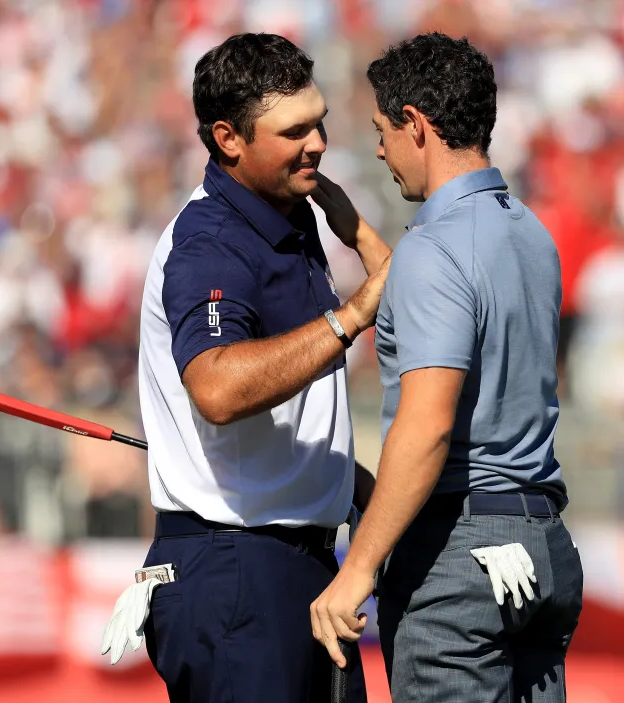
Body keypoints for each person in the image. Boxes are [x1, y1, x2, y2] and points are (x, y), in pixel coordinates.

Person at [99, 33, 391, 703]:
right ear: (229, 138)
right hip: (238, 572)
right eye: (293, 131)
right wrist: (349, 317)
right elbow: (219, 387)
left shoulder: (292, 215)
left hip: (293, 564)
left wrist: (353, 229)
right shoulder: (210, 240)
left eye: (318, 122)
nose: (317, 142)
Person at [310, 33, 584, 702]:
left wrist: (358, 570)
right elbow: (446, 290)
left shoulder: (433, 249)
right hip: (540, 547)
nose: (379, 148)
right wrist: (355, 231)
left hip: (459, 558)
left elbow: (428, 425)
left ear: (416, 124)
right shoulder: (528, 233)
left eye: (382, 129)